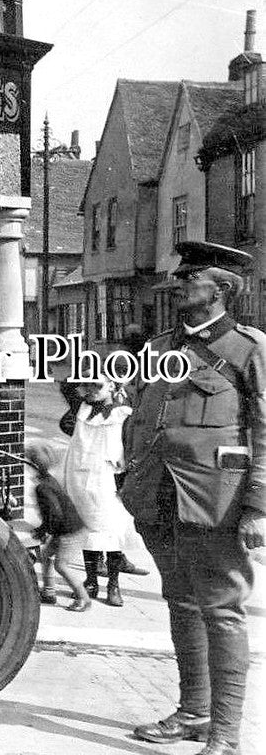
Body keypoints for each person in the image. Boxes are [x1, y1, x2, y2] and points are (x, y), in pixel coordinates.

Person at [122, 241, 266, 755]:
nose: (180, 283)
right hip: (158, 495)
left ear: (222, 289)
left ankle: (226, 735)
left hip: (216, 498)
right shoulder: (159, 350)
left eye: (192, 278)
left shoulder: (249, 349)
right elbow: (140, 416)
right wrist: (129, 474)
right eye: (180, 278)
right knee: (181, 600)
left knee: (223, 609)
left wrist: (257, 505)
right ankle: (193, 712)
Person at [62, 378, 139, 606]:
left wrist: (125, 479)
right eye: (88, 385)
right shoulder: (81, 409)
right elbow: (66, 385)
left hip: (107, 479)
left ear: (113, 386)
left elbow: (130, 446)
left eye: (98, 385)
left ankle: (113, 585)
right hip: (81, 477)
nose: (92, 390)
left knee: (111, 532)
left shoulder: (123, 414)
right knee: (88, 531)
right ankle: (91, 580)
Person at [27, 440, 90, 611]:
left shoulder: (42, 487)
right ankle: (48, 592)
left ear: (32, 464)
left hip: (69, 532)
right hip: (68, 529)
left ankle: (84, 598)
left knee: (61, 565)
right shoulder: (49, 480)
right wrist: (45, 529)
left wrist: (44, 530)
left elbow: (54, 513)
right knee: (46, 556)